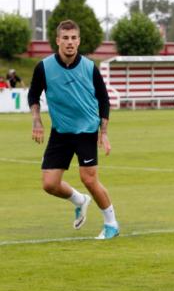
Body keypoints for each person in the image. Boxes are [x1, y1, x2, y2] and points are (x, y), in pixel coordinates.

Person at [28, 19, 119, 239]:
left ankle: (111, 224)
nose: (70, 42)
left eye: (74, 38)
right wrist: (37, 120)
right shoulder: (44, 67)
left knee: (88, 178)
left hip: (87, 130)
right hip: (60, 131)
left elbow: (103, 99)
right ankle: (79, 200)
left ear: (79, 41)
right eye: (65, 38)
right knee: (49, 184)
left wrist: (103, 132)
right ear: (57, 40)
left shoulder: (89, 67)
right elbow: (33, 94)